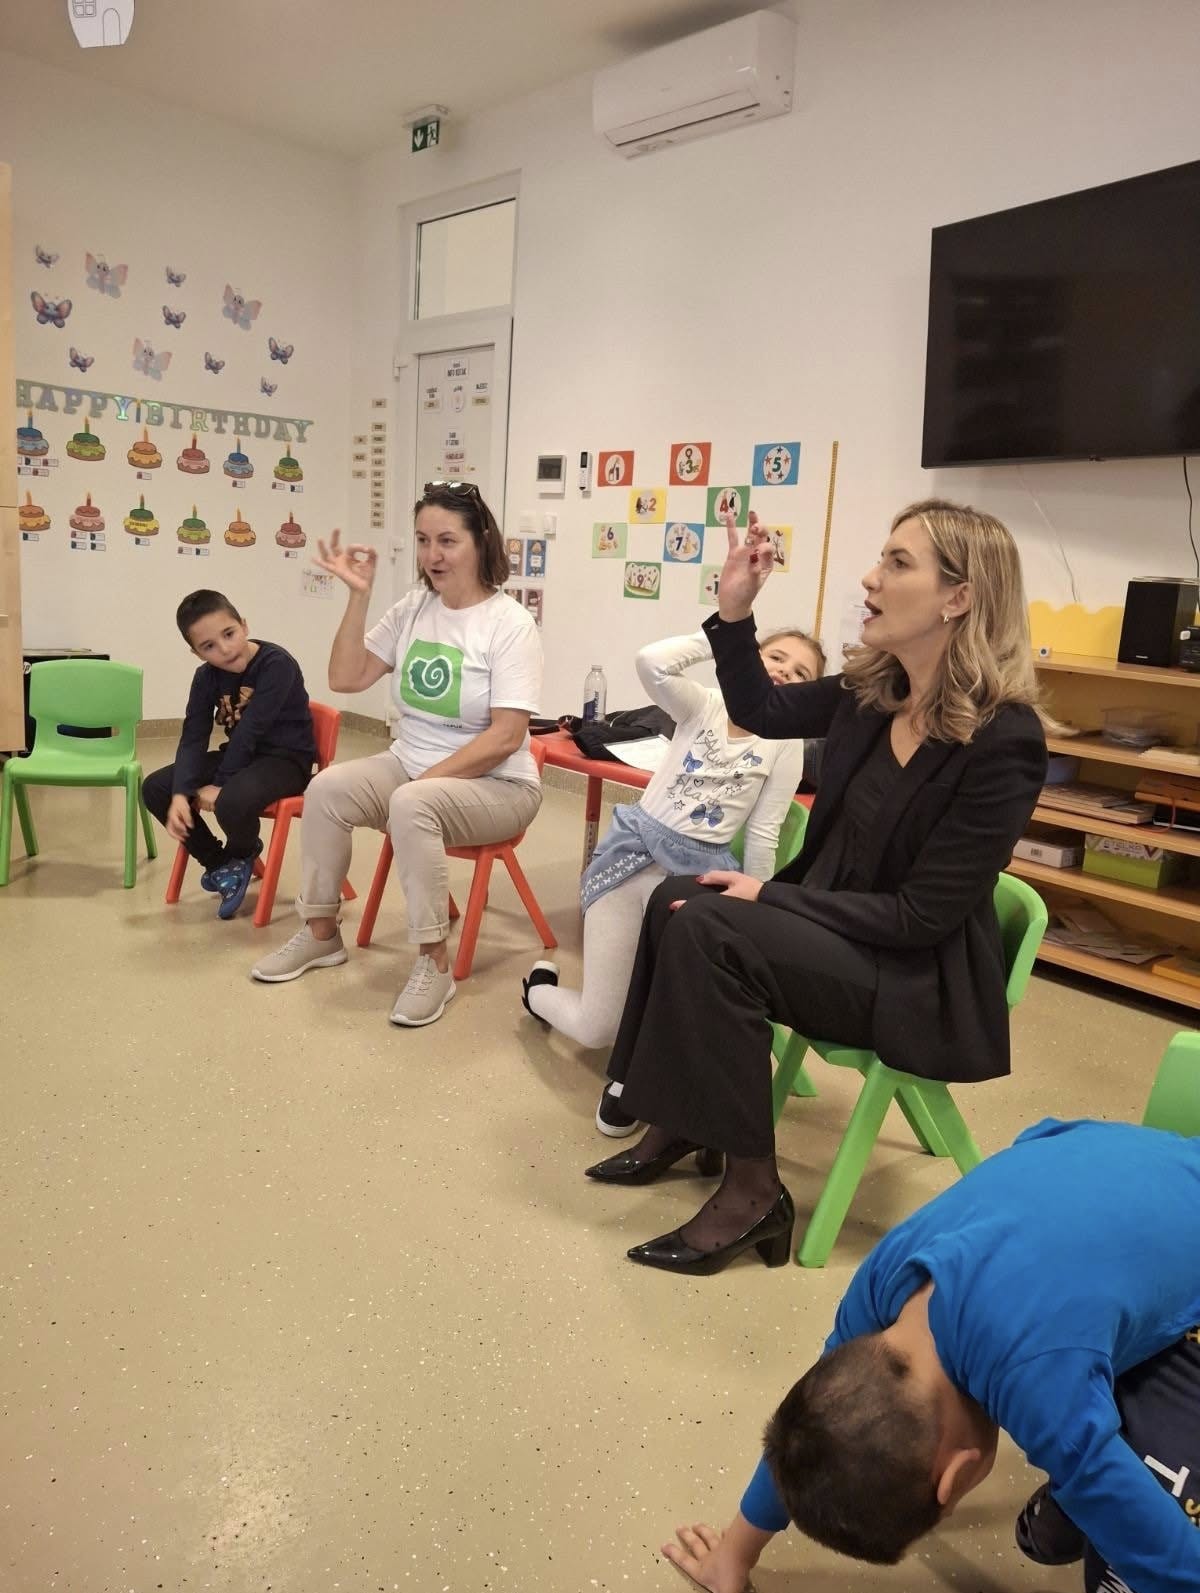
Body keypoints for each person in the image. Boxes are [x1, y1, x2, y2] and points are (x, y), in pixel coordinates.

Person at [584, 498, 1048, 1274]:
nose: (870, 578)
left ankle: (752, 1194)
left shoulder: (1006, 740)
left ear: (958, 598)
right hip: (841, 935)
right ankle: (677, 1120)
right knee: (675, 899)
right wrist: (736, 611)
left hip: (911, 975)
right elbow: (758, 707)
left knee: (710, 925)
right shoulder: (876, 692)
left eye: (897, 563)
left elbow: (919, 917)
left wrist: (769, 895)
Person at [659, 1118, 1200, 1593]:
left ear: (956, 1476)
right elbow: (808, 1427)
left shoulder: (1040, 1385)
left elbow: (1171, 1564)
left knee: (1129, 1554)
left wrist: (1091, 1492)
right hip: (1089, 1151)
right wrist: (735, 1553)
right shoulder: (884, 1280)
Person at [251, 482, 543, 1027]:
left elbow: (506, 736)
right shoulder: (414, 608)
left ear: (481, 540)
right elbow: (346, 677)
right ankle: (321, 933)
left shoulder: (510, 624)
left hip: (501, 786)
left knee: (412, 803)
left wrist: (423, 783)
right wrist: (358, 596)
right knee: (326, 788)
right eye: (423, 540)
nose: (433, 555)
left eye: (447, 541)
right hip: (412, 766)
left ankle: (434, 962)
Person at [522, 626, 821, 1135]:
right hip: (632, 856)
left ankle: (632, 1080)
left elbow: (764, 834)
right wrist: (726, 639)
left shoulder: (786, 744)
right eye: (775, 658)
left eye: (800, 674)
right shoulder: (704, 703)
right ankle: (537, 994)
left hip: (697, 874)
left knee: (671, 997)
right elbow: (651, 662)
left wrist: (757, 906)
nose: (783, 673)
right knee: (597, 1027)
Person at [143, 589, 316, 920]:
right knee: (157, 787)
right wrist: (180, 792)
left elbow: (251, 728)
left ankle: (241, 852)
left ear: (244, 626)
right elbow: (194, 736)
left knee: (231, 801)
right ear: (195, 652)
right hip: (241, 757)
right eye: (208, 646)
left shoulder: (276, 664)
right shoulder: (205, 677)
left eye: (229, 634)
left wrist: (221, 783)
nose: (224, 649)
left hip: (286, 761)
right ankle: (221, 863)